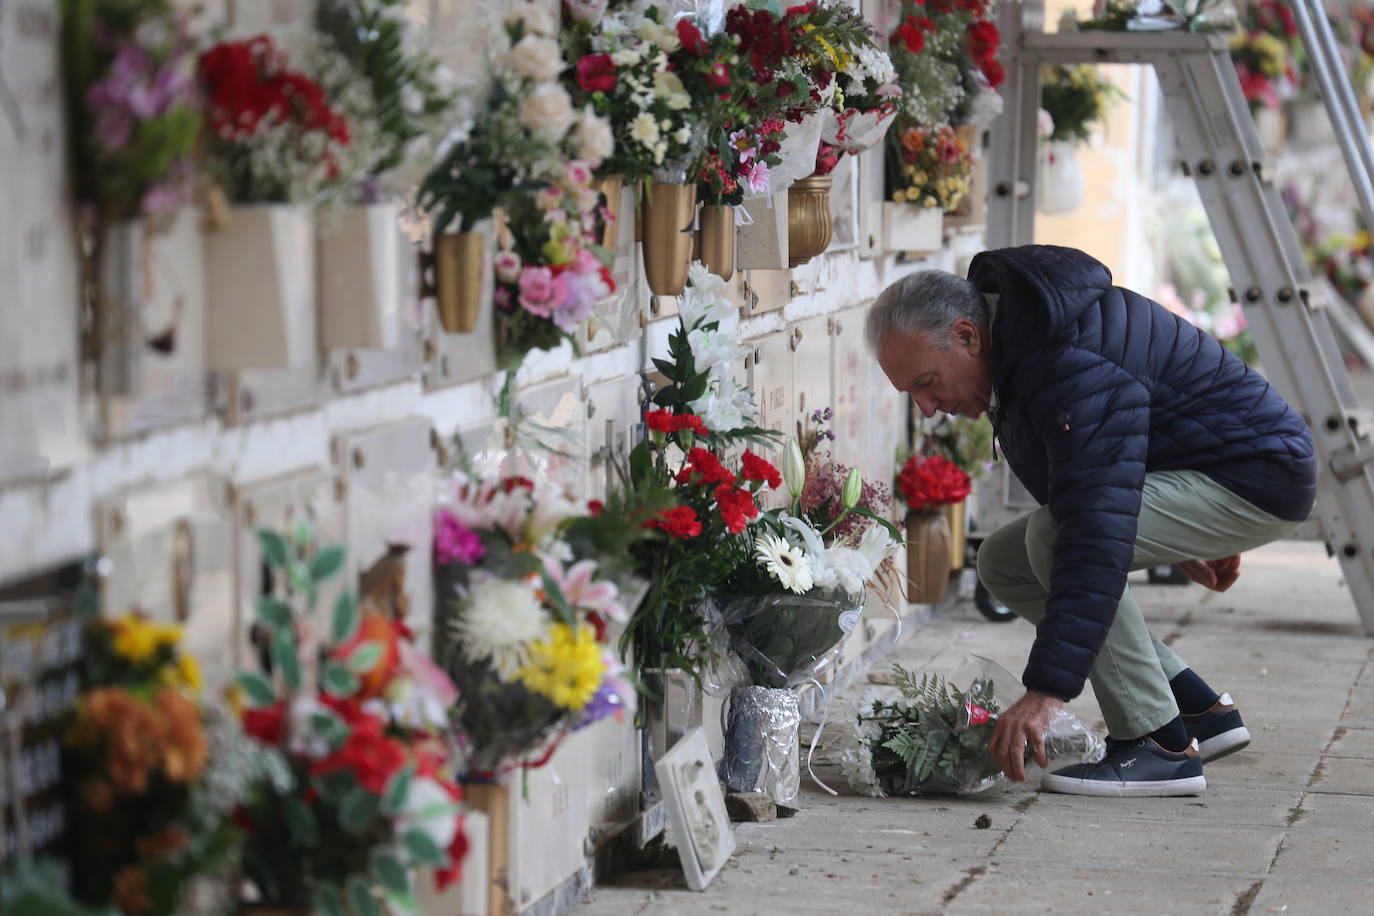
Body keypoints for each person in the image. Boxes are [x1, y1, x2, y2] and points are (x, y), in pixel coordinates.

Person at [866, 245, 1317, 797]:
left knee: (1057, 537)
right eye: (912, 393)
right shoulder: (1024, 340)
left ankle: (1159, 745)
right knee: (1004, 561)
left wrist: (1045, 692)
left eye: (926, 381)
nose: (927, 408)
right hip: (1217, 466)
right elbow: (1087, 478)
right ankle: (1193, 709)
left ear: (967, 336)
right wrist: (1176, 530)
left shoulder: (1064, 355)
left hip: (1258, 474)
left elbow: (1087, 526)